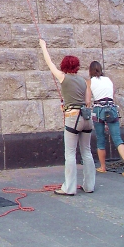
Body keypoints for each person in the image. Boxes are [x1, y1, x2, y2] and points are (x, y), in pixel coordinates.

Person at [39, 39, 95, 196]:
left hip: (73, 118)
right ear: (76, 66)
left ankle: (69, 188)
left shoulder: (63, 77)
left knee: (70, 153)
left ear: (64, 66)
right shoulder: (84, 81)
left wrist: (43, 46)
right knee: (87, 152)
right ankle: (89, 185)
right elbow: (87, 101)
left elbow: (49, 63)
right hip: (87, 118)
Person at [87, 61, 124, 174]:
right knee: (117, 139)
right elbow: (112, 95)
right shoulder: (108, 80)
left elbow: (88, 100)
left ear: (90, 70)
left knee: (101, 139)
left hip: (98, 109)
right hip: (111, 108)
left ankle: (103, 167)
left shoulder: (90, 82)